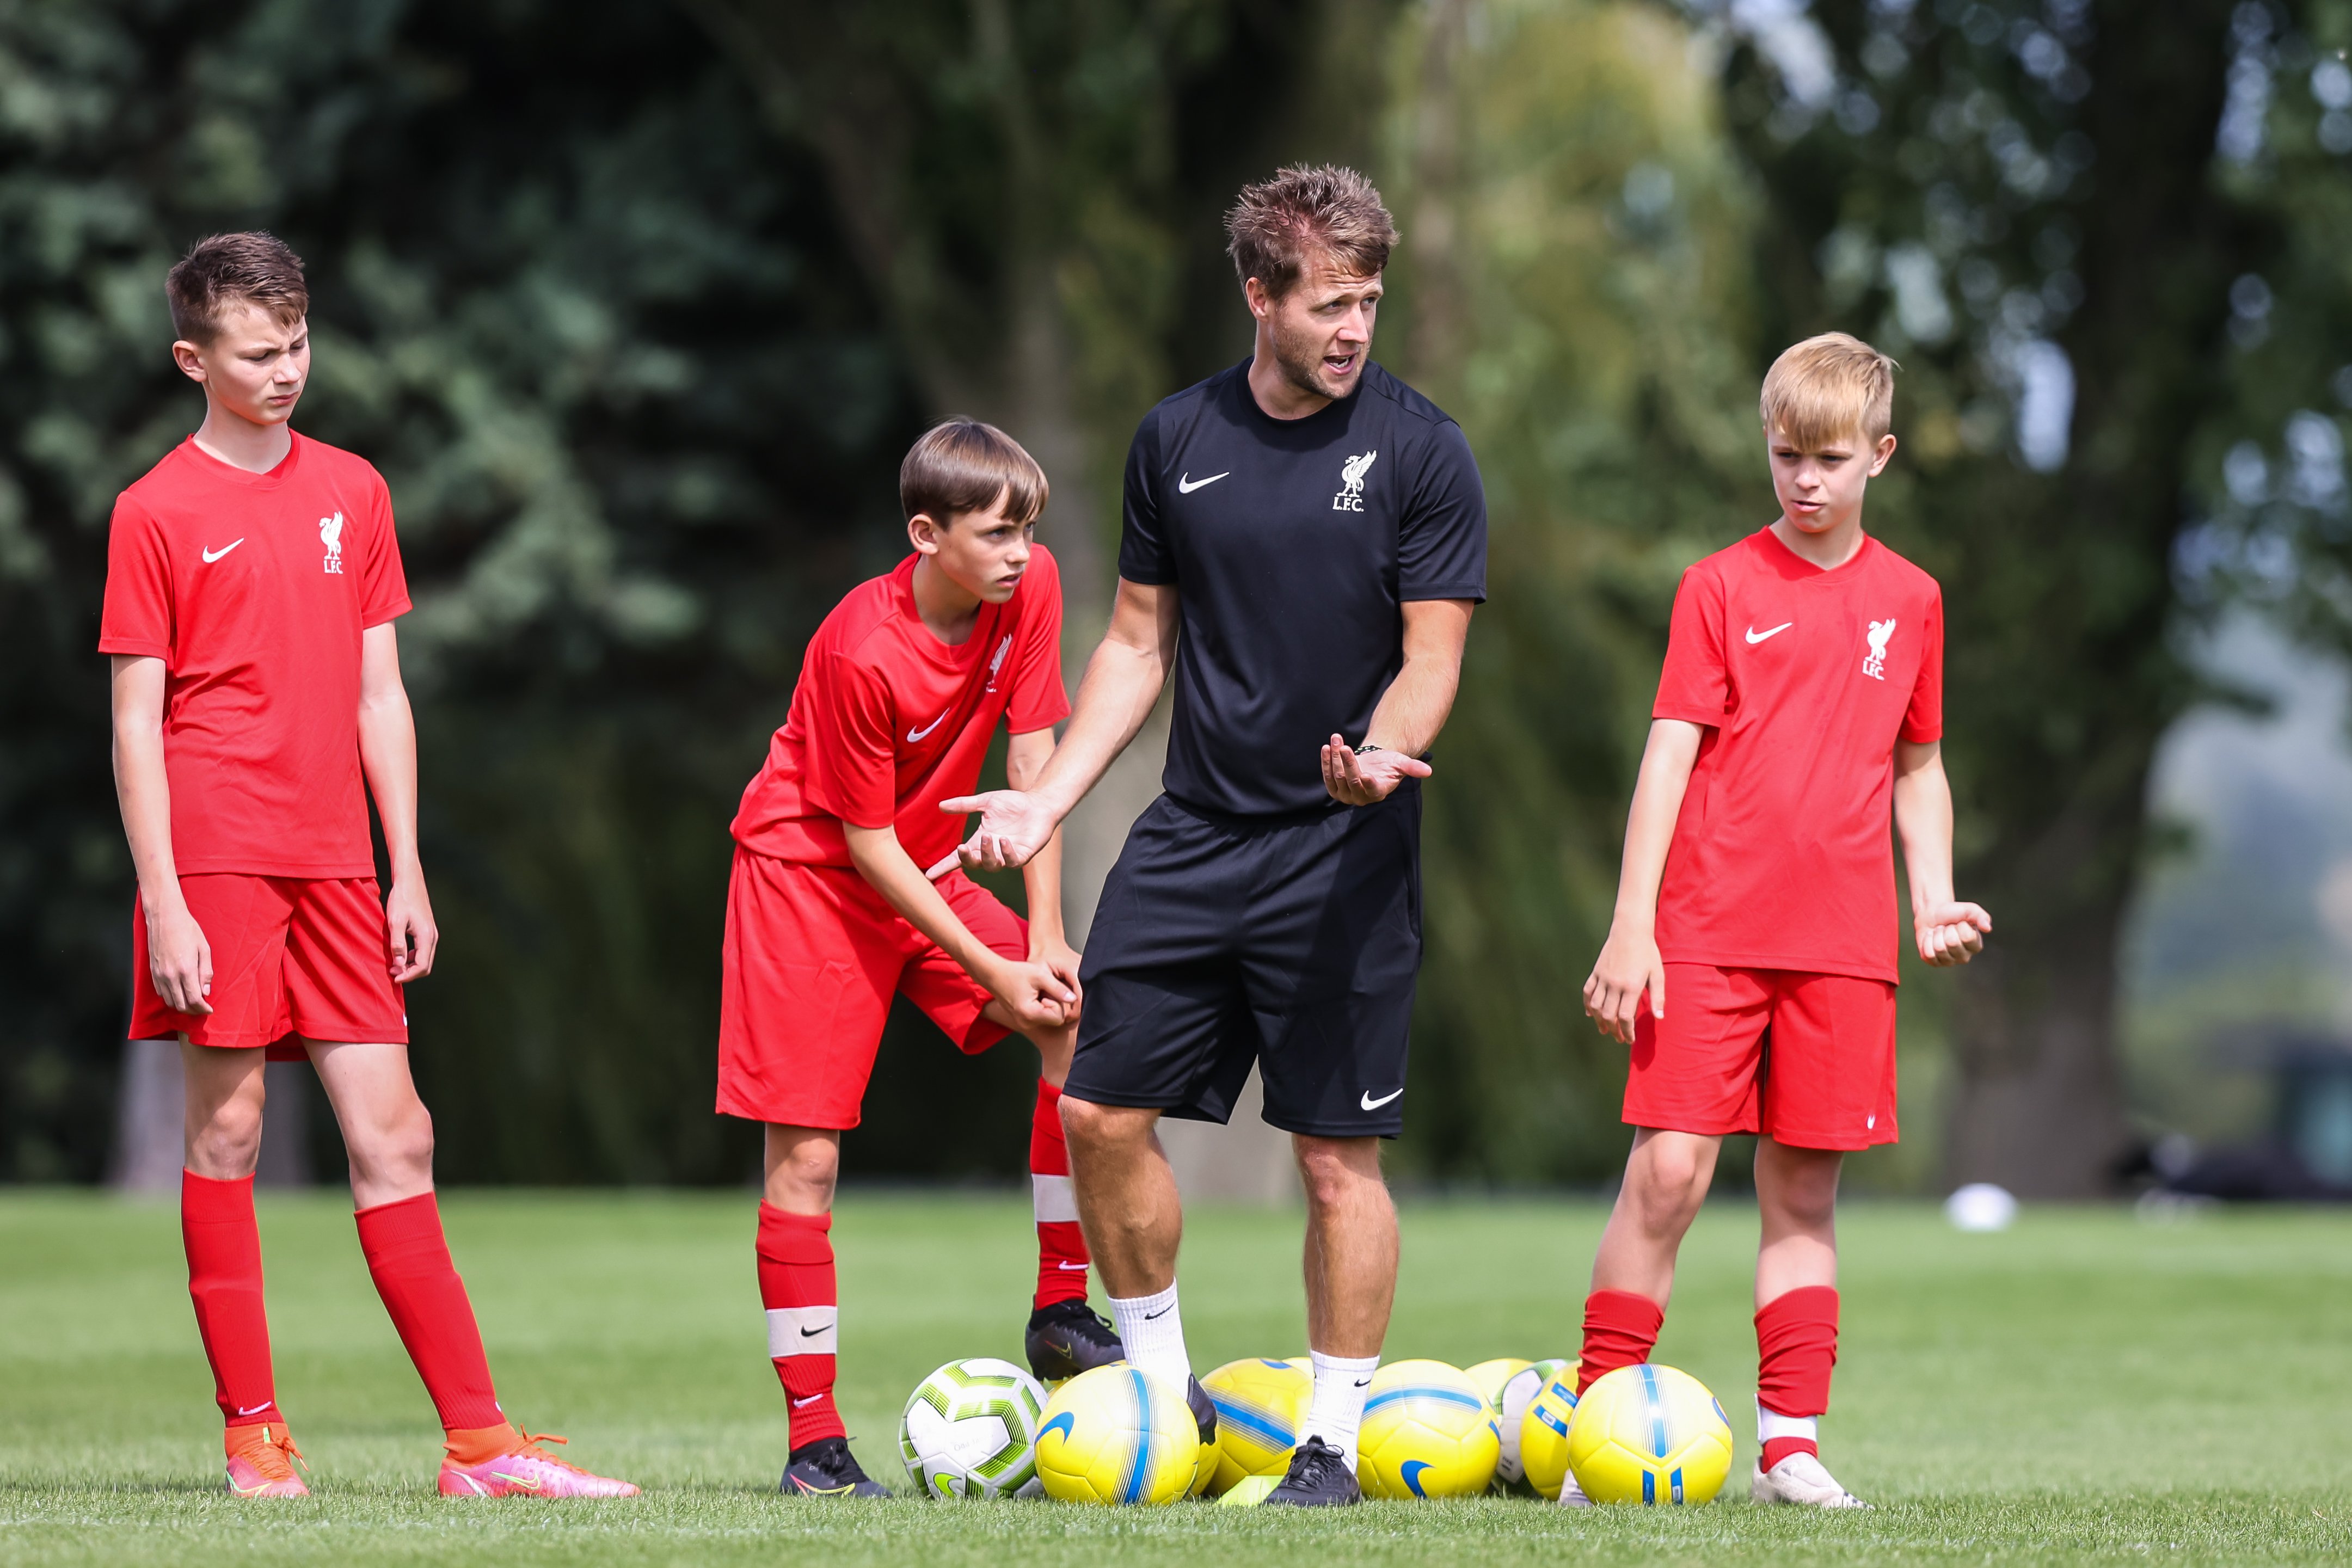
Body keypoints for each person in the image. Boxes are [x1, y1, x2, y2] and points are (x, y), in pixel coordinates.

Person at [945, 165, 1486, 1507]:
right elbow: (1136, 643)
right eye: (1329, 302)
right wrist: (1048, 798)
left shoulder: (1423, 451)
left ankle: (1332, 1444)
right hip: (1193, 836)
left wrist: (1378, 752)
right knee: (1095, 1111)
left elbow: (1433, 657)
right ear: (1259, 294)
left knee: (1332, 1157)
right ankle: (1161, 1397)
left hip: (1343, 851)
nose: (1355, 327)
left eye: (1370, 299)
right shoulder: (1173, 439)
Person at [101, 232, 636, 1500]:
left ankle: (480, 1445)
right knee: (226, 1133)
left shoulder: (356, 489)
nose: (287, 370)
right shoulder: (152, 510)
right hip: (218, 857)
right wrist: (163, 898)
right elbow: (134, 721)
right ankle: (254, 1436)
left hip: (341, 864)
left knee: (398, 1135)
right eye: (257, 352)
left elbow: (381, 695)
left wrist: (407, 868)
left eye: (298, 345)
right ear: (193, 358)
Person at [1575, 333, 1992, 1508]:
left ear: (1879, 456)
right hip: (1702, 932)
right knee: (1666, 1173)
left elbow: (1920, 766)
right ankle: (1597, 1417)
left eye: (1828, 458)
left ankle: (1788, 1448)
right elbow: (1666, 759)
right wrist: (1630, 925)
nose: (1804, 480)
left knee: (1803, 1193)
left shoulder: (1912, 600)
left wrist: (1930, 896)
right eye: (1784, 456)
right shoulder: (1716, 585)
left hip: (1843, 950)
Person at [719, 418, 1116, 1499]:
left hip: (919, 865)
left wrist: (1043, 937)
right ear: (924, 534)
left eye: (1028, 531)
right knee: (805, 1159)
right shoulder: (860, 647)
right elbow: (863, 844)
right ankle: (813, 1442)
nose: (1019, 554)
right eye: (995, 534)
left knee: (1076, 1020)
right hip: (806, 881)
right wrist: (993, 970)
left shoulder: (1023, 593)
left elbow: (1032, 765)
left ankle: (1060, 1308)